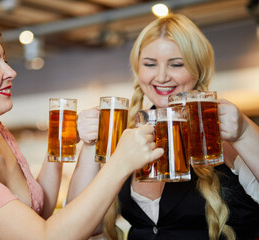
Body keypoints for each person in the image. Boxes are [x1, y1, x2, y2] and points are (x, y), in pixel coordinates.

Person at [0, 16, 164, 240]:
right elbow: (45, 236)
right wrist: (119, 163)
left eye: (5, 61)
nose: (11, 71)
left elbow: (39, 212)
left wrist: (63, 141)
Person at [67, 13, 259, 240]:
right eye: (149, 64)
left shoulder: (223, 134)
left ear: (198, 69)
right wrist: (89, 146)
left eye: (176, 64)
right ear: (138, 71)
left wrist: (245, 132)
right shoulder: (128, 136)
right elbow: (77, 229)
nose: (161, 76)